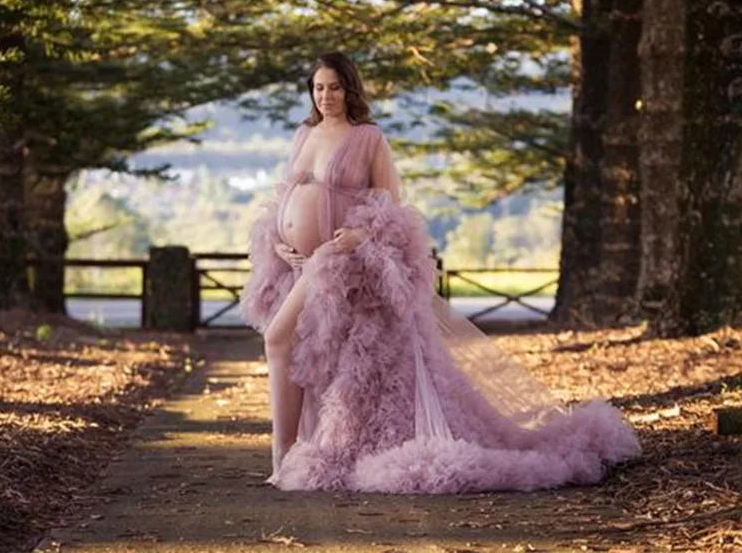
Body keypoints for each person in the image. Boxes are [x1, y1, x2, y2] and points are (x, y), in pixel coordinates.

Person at [240, 52, 640, 493]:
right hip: (299, 264)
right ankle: (294, 448)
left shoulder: (367, 138)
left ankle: (283, 459)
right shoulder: (305, 134)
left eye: (334, 87)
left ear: (349, 89)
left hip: (338, 263)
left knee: (277, 337)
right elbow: (286, 194)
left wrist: (353, 238)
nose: (326, 95)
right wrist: (280, 238)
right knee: (304, 353)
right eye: (318, 87)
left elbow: (390, 205)